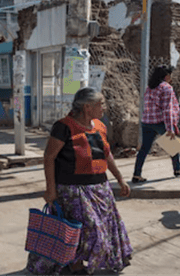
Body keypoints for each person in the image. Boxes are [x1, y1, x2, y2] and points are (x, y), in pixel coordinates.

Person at [27, 87, 132, 276]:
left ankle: (84, 262)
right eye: (101, 104)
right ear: (87, 107)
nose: (104, 108)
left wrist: (120, 178)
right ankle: (75, 265)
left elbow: (106, 155)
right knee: (88, 230)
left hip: (100, 188)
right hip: (73, 191)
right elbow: (49, 157)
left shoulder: (100, 126)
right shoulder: (64, 127)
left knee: (102, 228)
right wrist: (50, 189)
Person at [132, 65, 180, 183]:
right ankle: (178, 169)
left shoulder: (150, 87)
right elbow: (167, 109)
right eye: (170, 74)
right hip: (160, 122)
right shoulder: (166, 87)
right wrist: (170, 128)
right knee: (173, 145)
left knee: (144, 149)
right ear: (166, 76)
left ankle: (136, 174)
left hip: (147, 121)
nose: (171, 77)